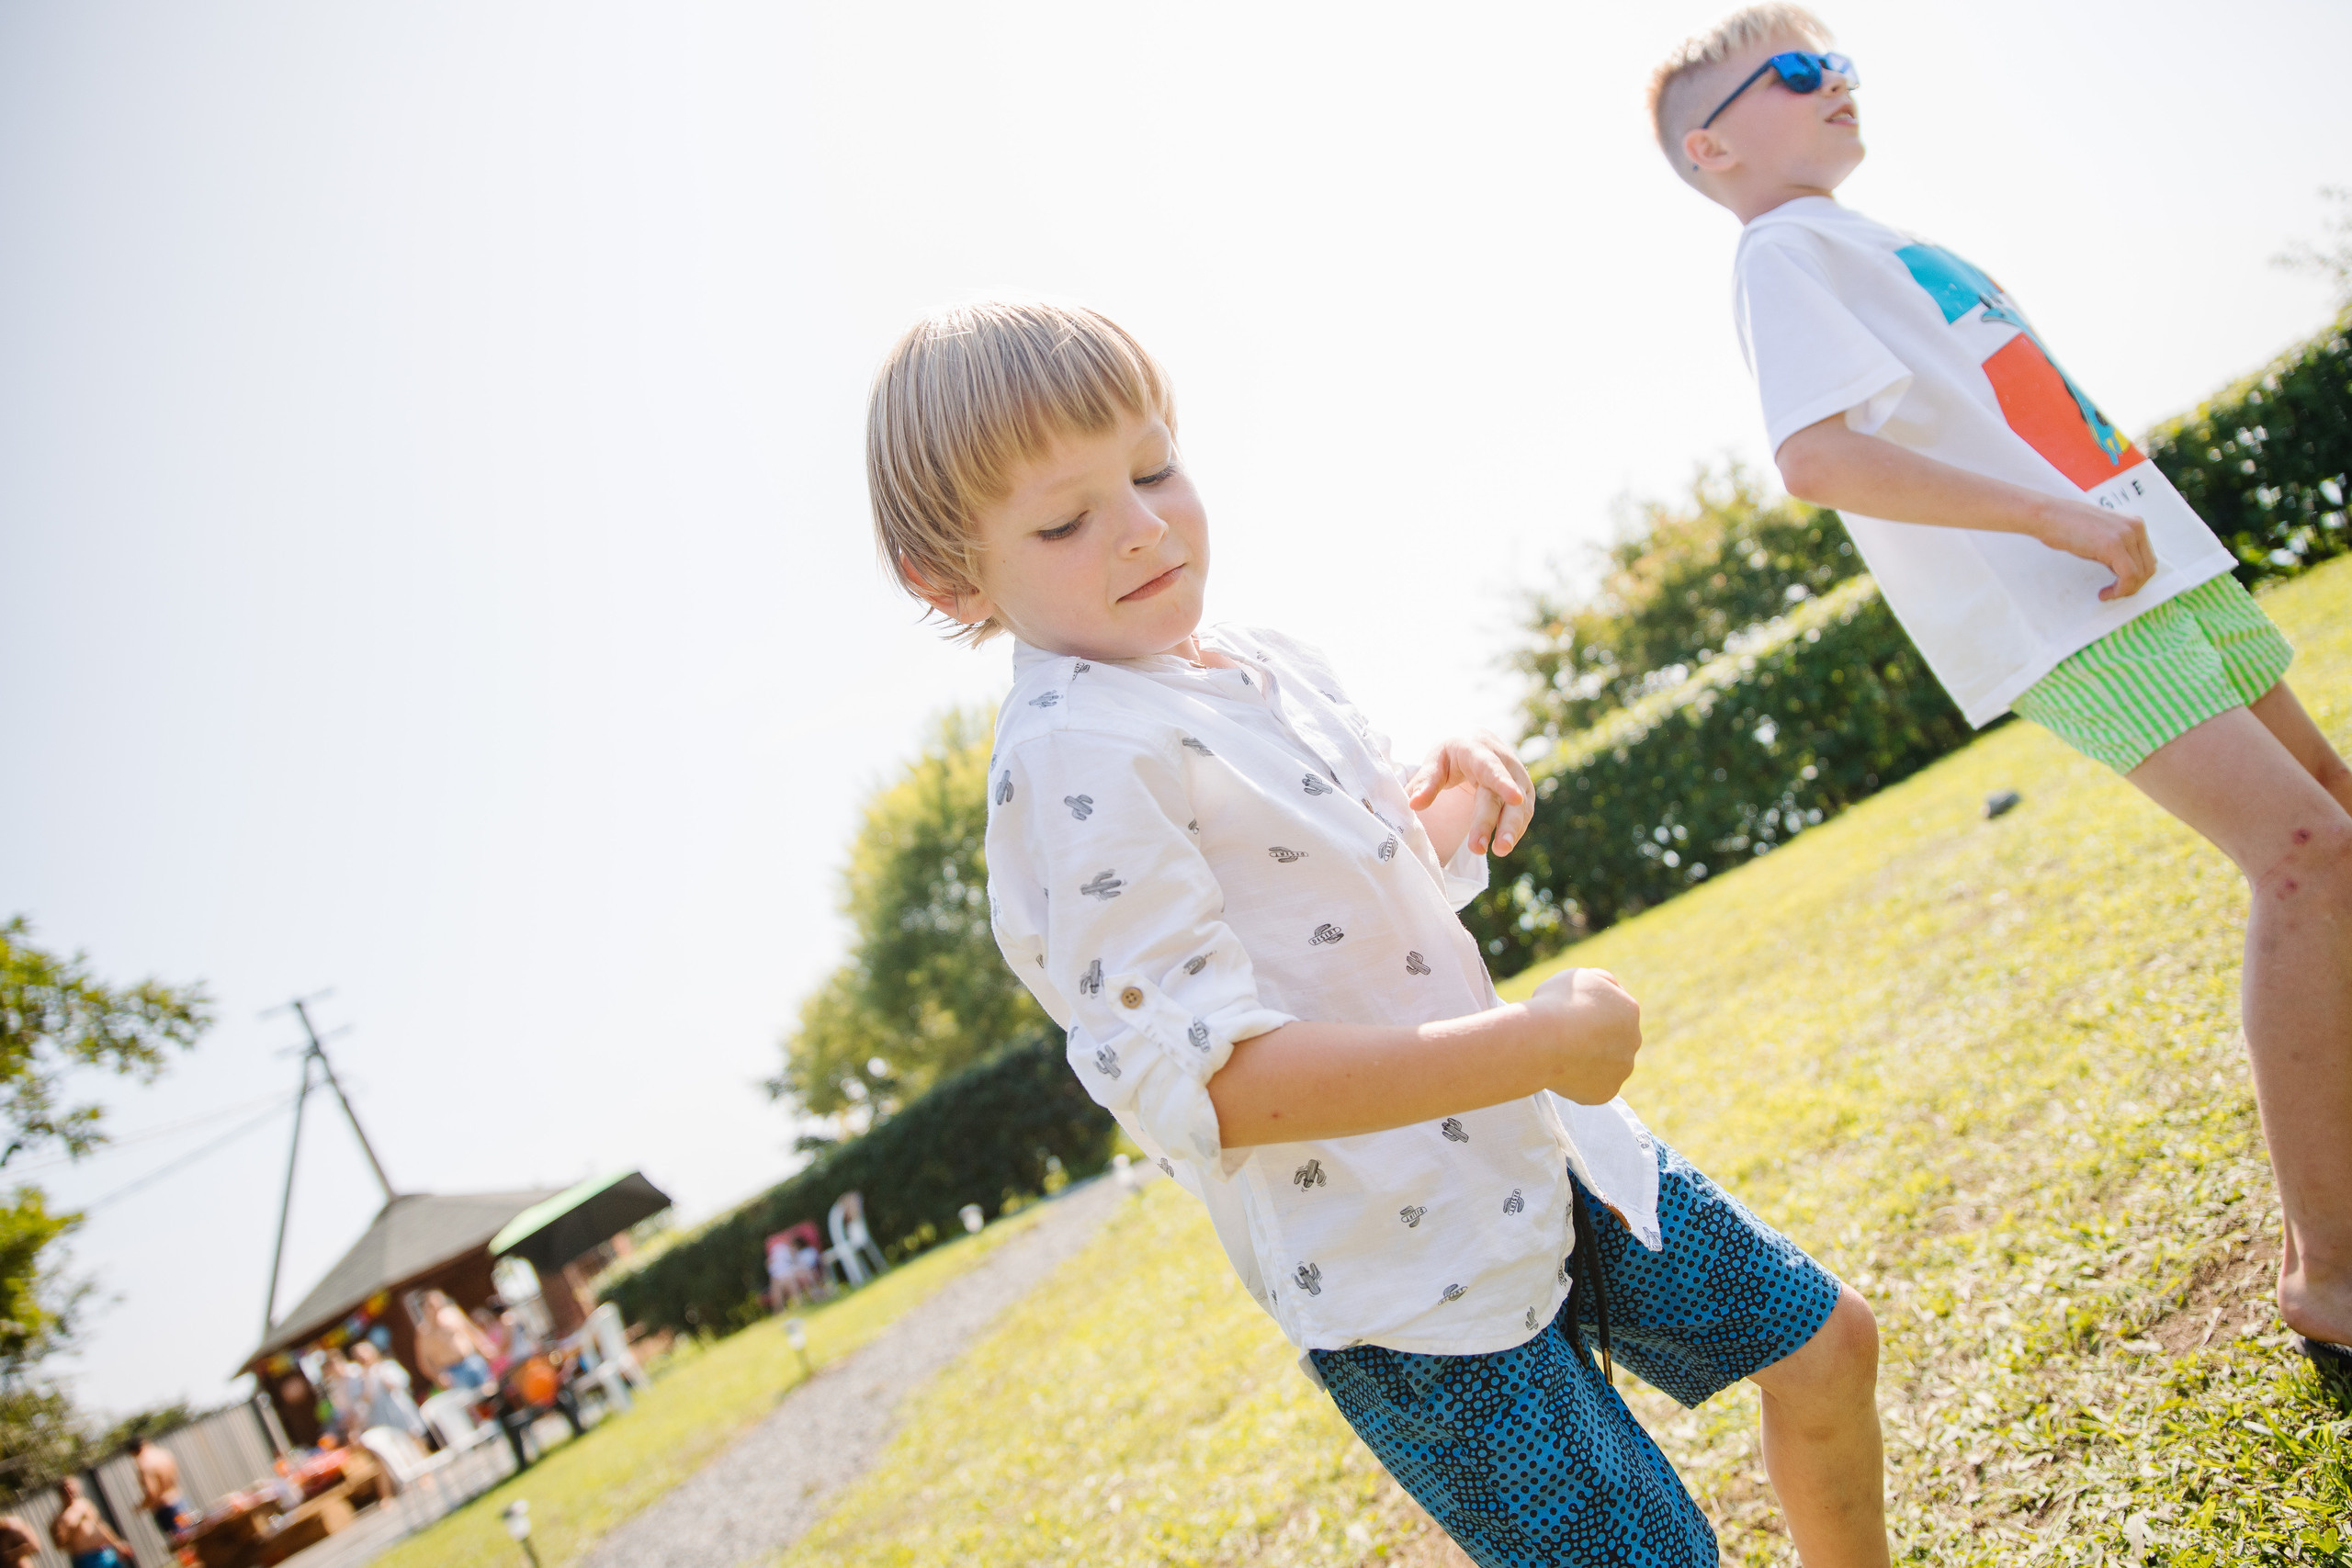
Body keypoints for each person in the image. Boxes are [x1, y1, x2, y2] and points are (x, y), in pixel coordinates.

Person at [866, 300, 1890, 1565]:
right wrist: (1537, 1044)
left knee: (1826, 1343)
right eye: (1065, 519)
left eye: (1153, 467)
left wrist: (1450, 794)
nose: (1140, 525)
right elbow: (1218, 1085)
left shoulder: (1253, 658)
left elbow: (1337, 894)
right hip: (1410, 1279)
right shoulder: (1077, 750)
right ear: (949, 576)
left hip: (1535, 1150)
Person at [1649, 4, 2352, 1396]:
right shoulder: (1782, 250)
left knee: (2338, 828)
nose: (1837, 82)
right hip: (2075, 598)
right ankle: (2331, 1272)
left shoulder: (1859, 234)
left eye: (1838, 60)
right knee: (2306, 859)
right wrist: (2053, 520)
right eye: (1798, 73)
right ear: (1714, 145)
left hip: (2147, 564)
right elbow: (1819, 455)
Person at [413, 1289, 495, 1393]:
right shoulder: (424, 1332)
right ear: (426, 1308)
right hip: (454, 1371)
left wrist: (485, 1347)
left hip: (472, 1359)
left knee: (492, 1390)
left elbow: (471, 1331)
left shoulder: (452, 1314)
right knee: (472, 1402)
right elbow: (424, 1361)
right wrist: (438, 1377)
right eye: (432, 1305)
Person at [351, 1340, 428, 1439]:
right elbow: (366, 1401)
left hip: (400, 1409)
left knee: (417, 1436)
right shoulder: (362, 1379)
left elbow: (402, 1384)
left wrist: (381, 1374)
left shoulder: (387, 1366)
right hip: (382, 1417)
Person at [51, 1477, 132, 1568]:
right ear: (60, 1492)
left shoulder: (85, 1504)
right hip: (87, 1559)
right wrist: (75, 1523)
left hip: (106, 1552)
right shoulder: (60, 1518)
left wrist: (117, 1543)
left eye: (71, 1485)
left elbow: (100, 1525)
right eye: (65, 1487)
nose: (69, 1489)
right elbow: (60, 1544)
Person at [130, 1435, 195, 1539]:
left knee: (183, 1545)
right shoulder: (164, 1454)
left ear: (133, 1452)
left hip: (166, 1508)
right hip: (180, 1499)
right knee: (194, 1535)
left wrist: (140, 1506)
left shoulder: (144, 1464)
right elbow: (175, 1475)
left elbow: (152, 1492)